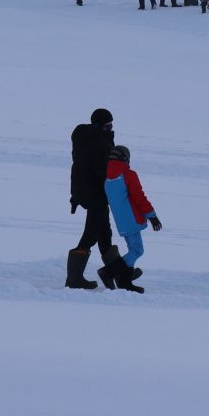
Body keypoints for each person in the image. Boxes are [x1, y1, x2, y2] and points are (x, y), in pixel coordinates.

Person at [67, 108, 138, 291]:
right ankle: (74, 279)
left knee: (104, 234)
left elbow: (80, 169)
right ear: (99, 125)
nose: (111, 127)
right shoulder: (98, 142)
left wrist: (76, 195)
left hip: (89, 191)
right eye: (108, 125)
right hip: (96, 193)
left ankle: (117, 272)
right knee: (90, 235)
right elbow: (103, 171)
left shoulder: (87, 139)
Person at [105, 144, 161, 284]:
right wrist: (152, 216)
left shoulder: (107, 179)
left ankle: (125, 282)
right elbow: (139, 197)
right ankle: (108, 272)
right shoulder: (128, 175)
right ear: (125, 159)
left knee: (132, 249)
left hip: (121, 221)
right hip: (132, 219)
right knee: (137, 250)